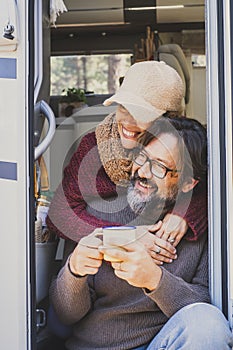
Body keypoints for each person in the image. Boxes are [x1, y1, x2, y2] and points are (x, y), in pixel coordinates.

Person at [50, 116, 233, 349]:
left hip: (162, 343)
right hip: (97, 345)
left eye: (159, 166)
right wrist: (74, 271)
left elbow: (206, 304)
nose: (143, 172)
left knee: (208, 324)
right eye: (142, 157)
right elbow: (65, 316)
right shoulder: (99, 211)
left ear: (188, 183)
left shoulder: (206, 229)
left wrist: (154, 280)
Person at [46, 61, 207, 257]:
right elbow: (59, 215)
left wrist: (185, 211)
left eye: (142, 114)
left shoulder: (186, 148)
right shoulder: (94, 148)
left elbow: (210, 191)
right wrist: (124, 237)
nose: (128, 122)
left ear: (169, 119)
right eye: (124, 108)